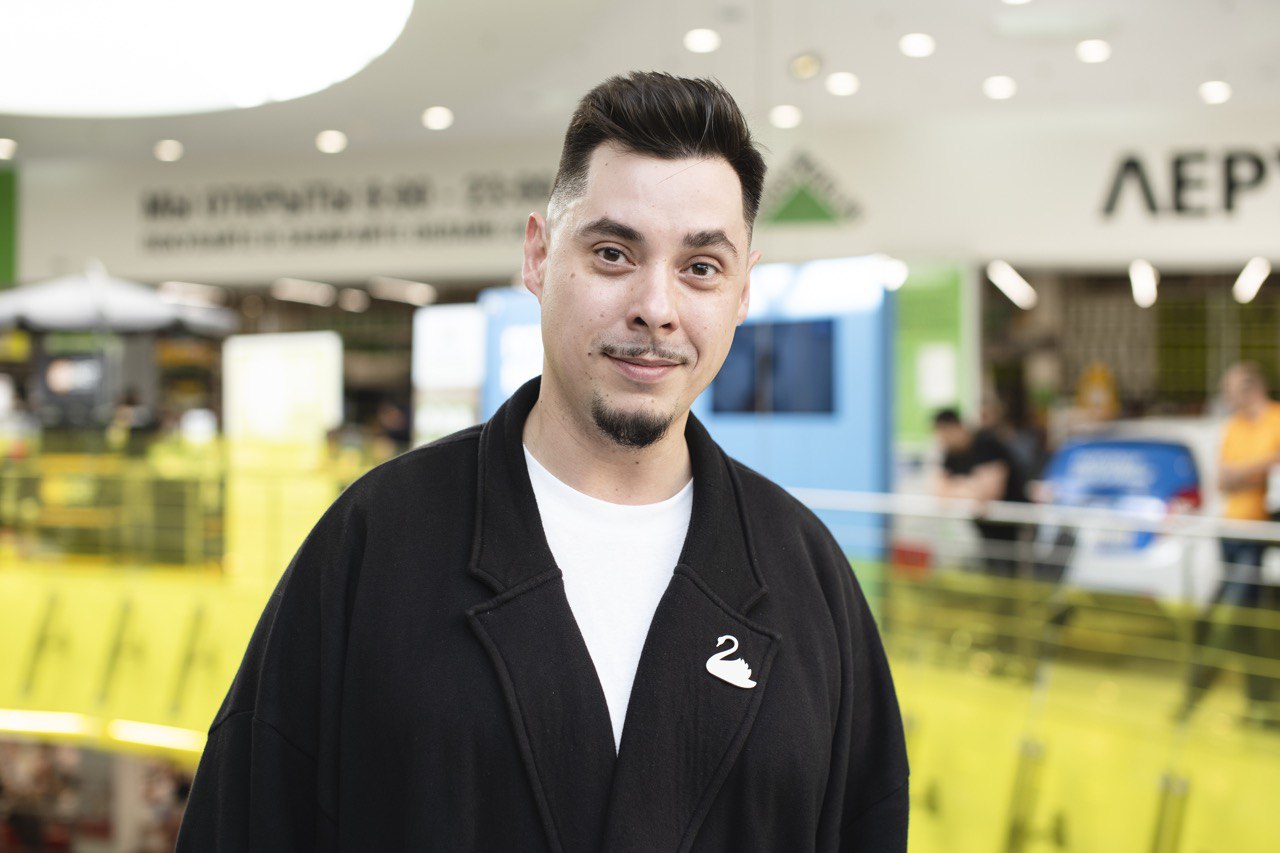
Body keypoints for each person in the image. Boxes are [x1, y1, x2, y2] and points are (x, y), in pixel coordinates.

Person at [176, 72, 908, 851]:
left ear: (741, 292)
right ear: (538, 255)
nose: (656, 308)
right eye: (613, 253)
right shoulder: (377, 541)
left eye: (700, 267)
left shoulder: (807, 579)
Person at [1180, 362, 1280, 725]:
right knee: (1232, 624)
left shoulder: (1275, 420)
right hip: (1232, 535)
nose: (1226, 397)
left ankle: (1193, 699)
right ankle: (1259, 704)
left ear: (1251, 389)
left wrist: (1245, 471)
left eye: (1231, 390)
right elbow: (1224, 480)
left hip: (1260, 538)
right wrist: (1259, 467)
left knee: (1231, 622)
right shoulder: (1234, 427)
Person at [932, 407, 1029, 577]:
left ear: (954, 427)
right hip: (983, 528)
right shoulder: (951, 453)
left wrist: (956, 486)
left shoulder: (986, 444)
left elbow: (989, 492)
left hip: (1013, 526)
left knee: (1011, 574)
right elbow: (939, 491)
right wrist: (970, 486)